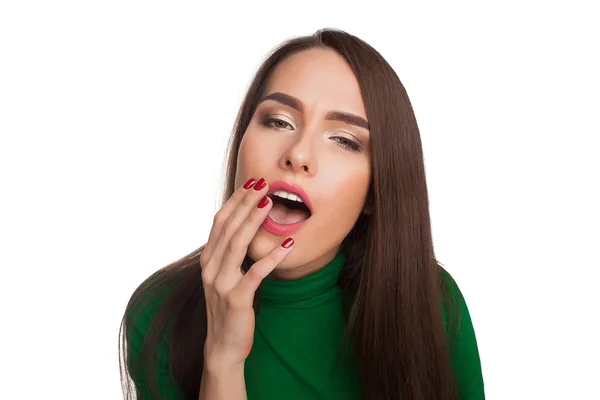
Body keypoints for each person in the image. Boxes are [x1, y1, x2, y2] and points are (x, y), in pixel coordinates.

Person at [118, 28, 485, 400]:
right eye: (279, 121)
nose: (299, 155)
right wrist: (223, 360)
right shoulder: (159, 314)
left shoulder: (433, 305)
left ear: (377, 191)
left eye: (344, 140)